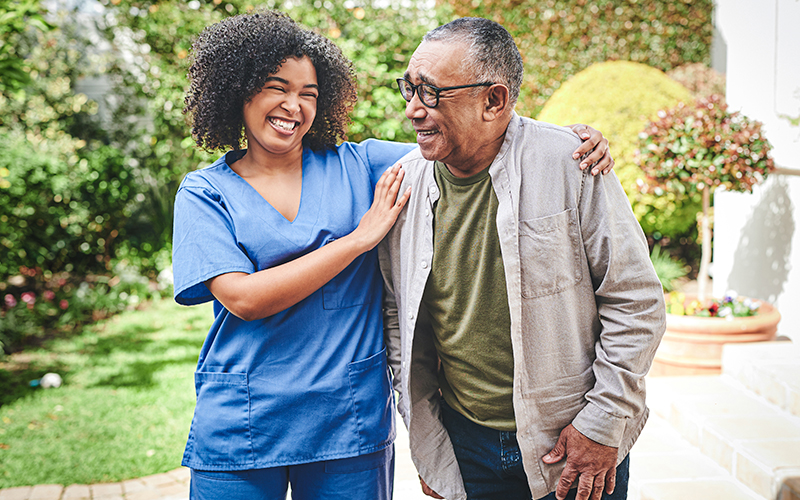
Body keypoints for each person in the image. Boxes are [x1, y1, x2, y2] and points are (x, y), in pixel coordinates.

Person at [172, 10, 613, 500]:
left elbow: (468, 134)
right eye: (277, 88)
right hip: (243, 427)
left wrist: (565, 139)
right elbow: (243, 298)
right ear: (240, 90)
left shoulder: (363, 166)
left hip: (347, 425)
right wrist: (359, 239)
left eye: (309, 94)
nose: (293, 106)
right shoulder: (204, 192)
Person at [379, 17, 666, 500]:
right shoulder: (402, 184)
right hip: (464, 444)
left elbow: (635, 301)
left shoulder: (571, 163)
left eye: (431, 93)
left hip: (573, 442)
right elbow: (398, 319)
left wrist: (603, 421)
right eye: (409, 89)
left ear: (494, 100)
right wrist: (428, 441)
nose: (412, 110)